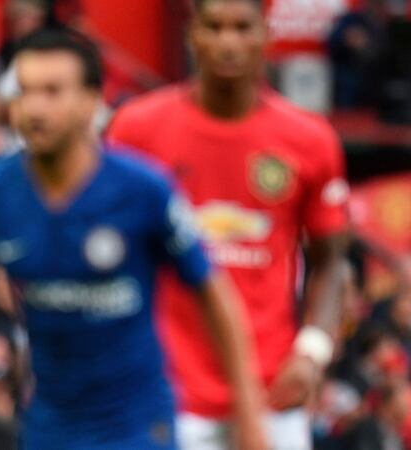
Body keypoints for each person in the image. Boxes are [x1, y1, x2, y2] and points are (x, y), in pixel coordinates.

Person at [0, 28, 266, 450]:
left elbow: (212, 294)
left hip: (137, 425)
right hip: (50, 425)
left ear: (91, 100)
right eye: (25, 91)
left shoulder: (144, 190)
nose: (35, 107)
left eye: (52, 91)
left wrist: (246, 407)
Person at [106, 1, 350, 449]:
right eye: (214, 27)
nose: (228, 42)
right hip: (164, 392)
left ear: (266, 33)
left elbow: (332, 263)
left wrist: (312, 353)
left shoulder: (310, 140)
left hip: (272, 393)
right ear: (192, 34)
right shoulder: (136, 129)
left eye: (242, 27)